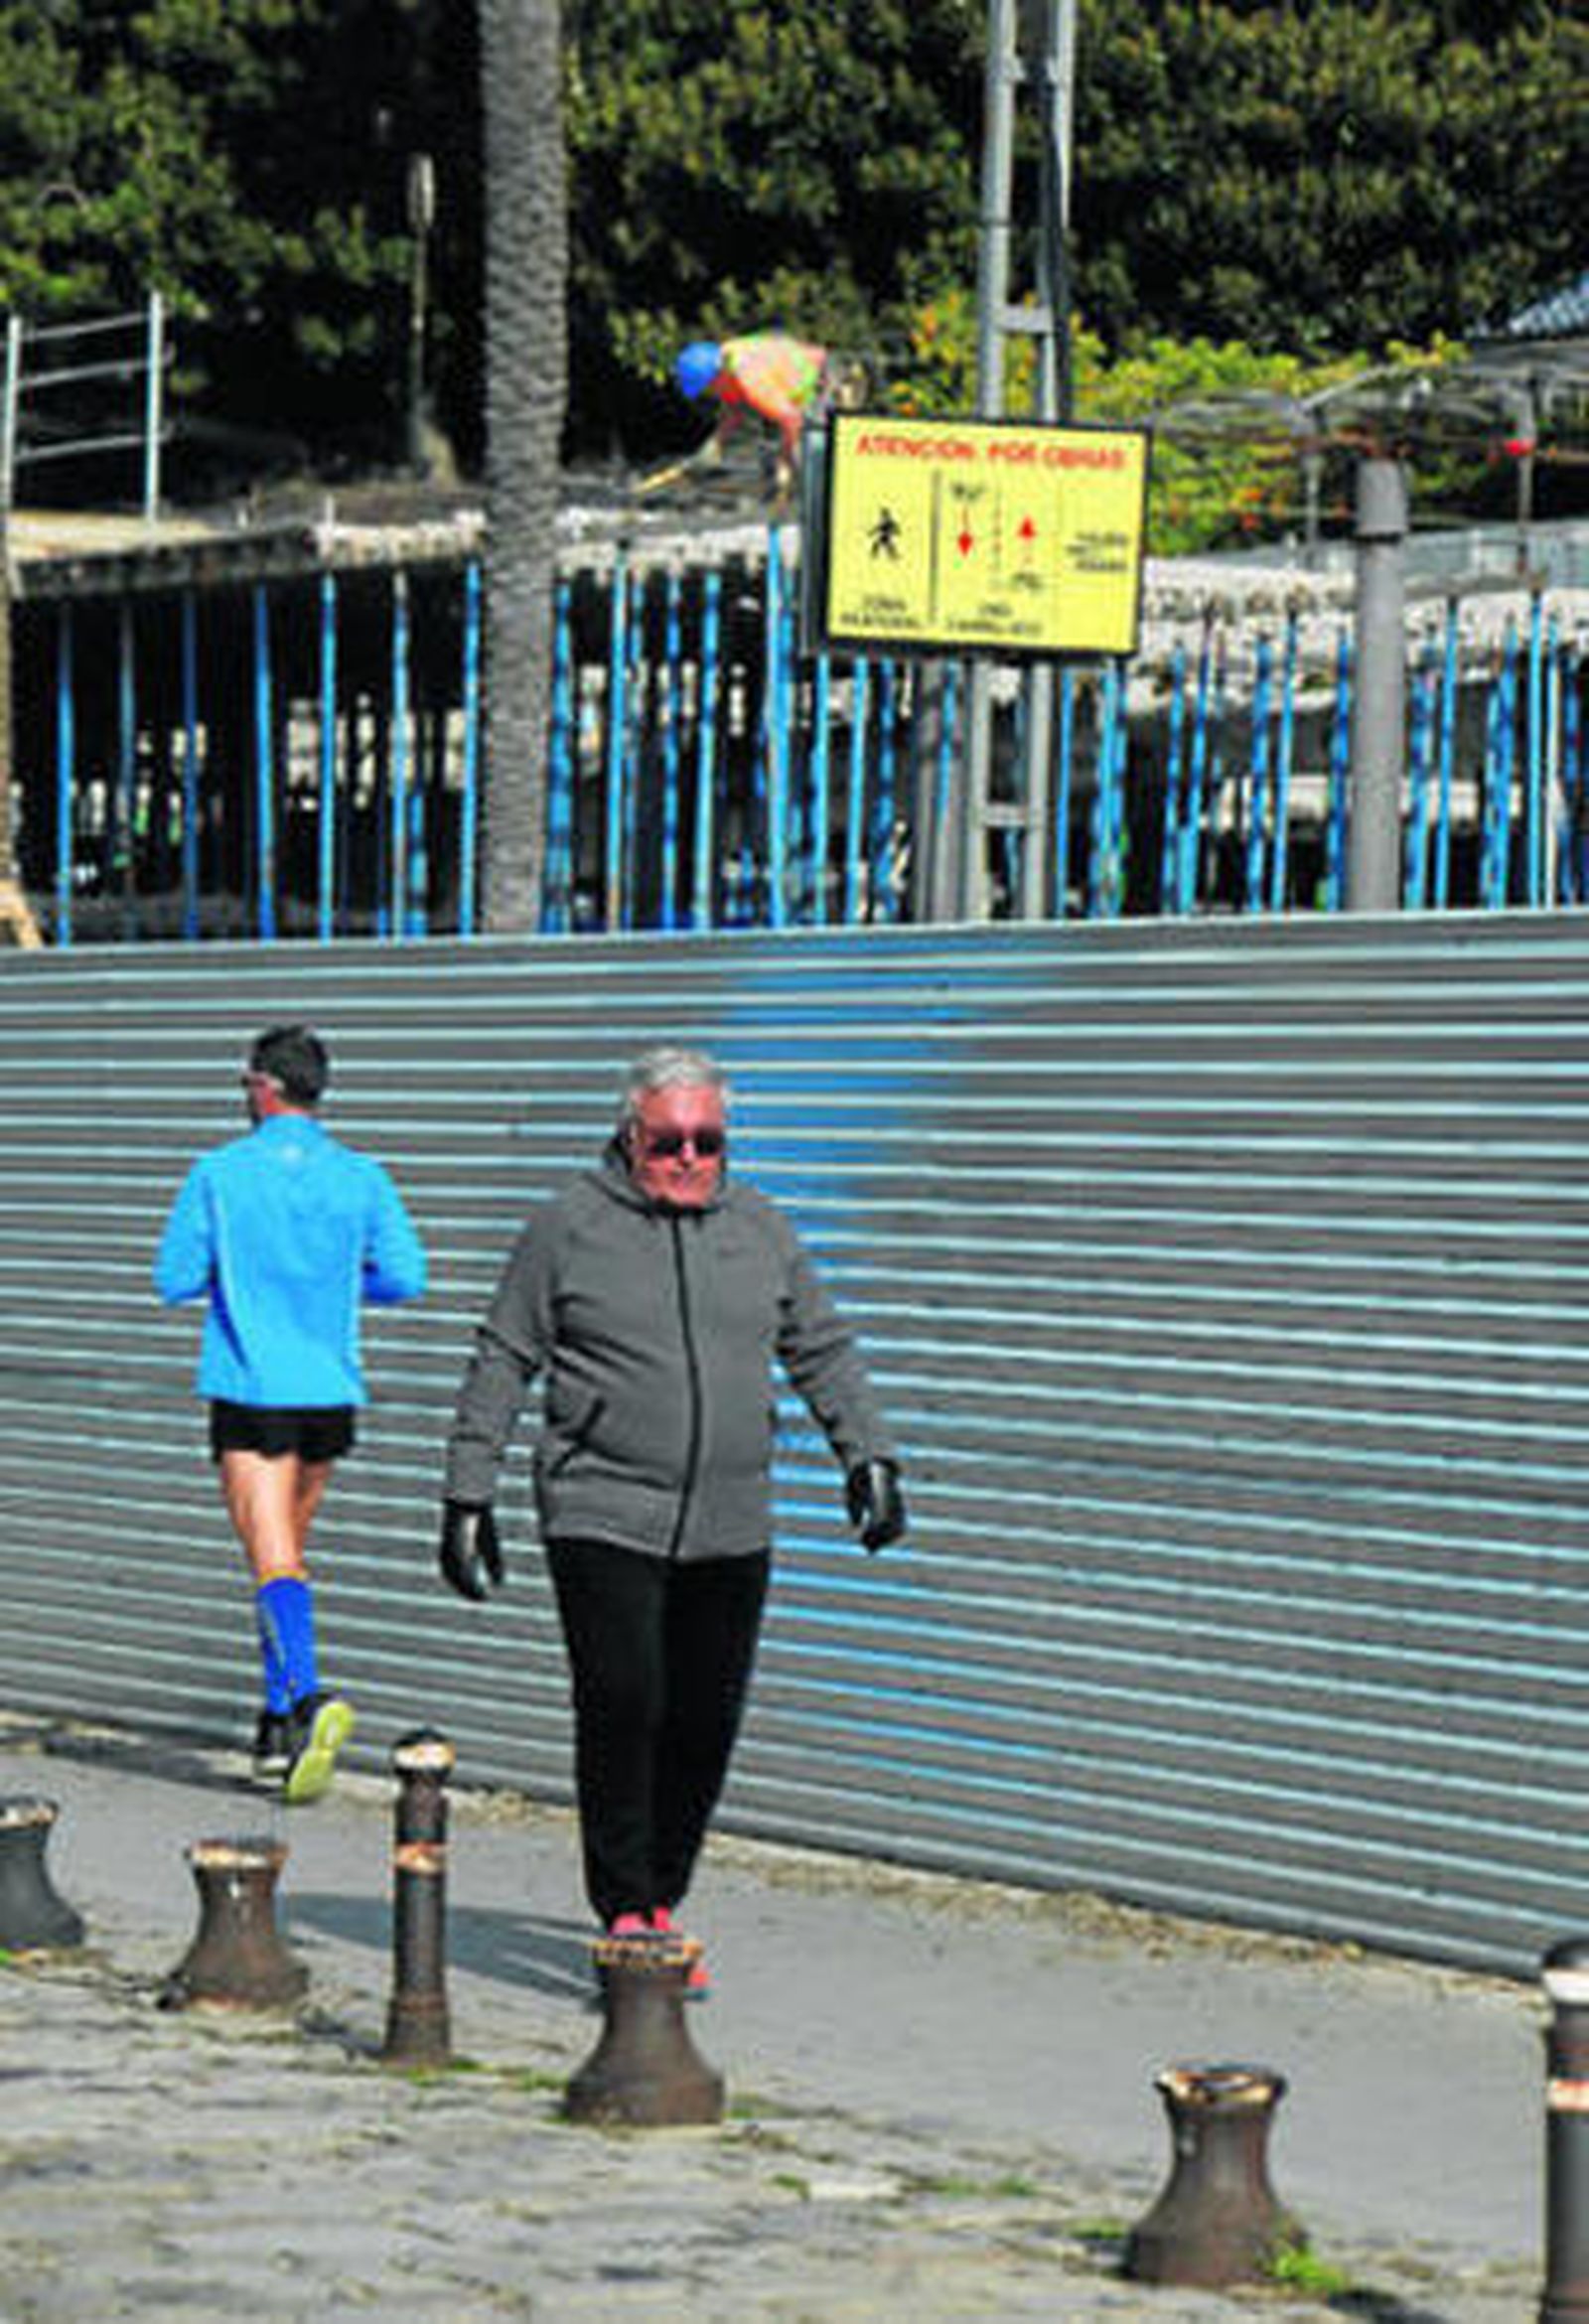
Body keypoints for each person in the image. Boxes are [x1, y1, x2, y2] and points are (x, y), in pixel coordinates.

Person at [437, 1045, 905, 1974]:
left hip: (732, 1516)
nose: (689, 1159)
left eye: (708, 1141)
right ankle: (626, 1908)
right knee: (623, 1698)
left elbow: (819, 1345)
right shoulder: (568, 1229)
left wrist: (871, 1453)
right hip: (600, 1504)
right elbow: (504, 1355)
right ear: (630, 1135)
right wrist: (468, 1492)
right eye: (668, 1142)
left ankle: (657, 1893)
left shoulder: (761, 1228)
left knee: (704, 1716)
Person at [155, 1025, 427, 1803]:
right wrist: (335, 1288)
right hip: (330, 1390)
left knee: (272, 1558)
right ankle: (273, 1725)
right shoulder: (362, 1176)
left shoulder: (219, 1172)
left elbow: (172, 1277)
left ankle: (308, 1700)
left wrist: (242, 1284)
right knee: (285, 1562)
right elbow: (406, 1276)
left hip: (251, 1390)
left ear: (261, 1085)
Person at [673, 331, 830, 502]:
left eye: (708, 388)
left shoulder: (751, 380)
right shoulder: (724, 360)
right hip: (792, 388)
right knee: (781, 458)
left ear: (716, 378)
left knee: (811, 463)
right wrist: (715, 444)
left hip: (820, 382)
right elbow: (733, 412)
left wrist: (785, 459)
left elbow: (792, 419)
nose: (711, 394)